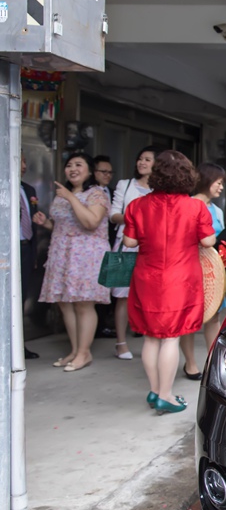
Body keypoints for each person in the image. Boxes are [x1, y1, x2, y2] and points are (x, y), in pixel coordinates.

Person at [122, 151, 216, 414]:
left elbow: (129, 242)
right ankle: (166, 395)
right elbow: (208, 241)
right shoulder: (195, 207)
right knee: (171, 338)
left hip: (147, 277)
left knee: (152, 338)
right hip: (180, 279)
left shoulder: (137, 206)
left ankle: (154, 392)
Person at [32, 152, 111, 372]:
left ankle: (84, 353)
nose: (72, 168)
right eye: (69, 165)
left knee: (83, 304)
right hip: (62, 253)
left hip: (86, 255)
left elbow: (91, 222)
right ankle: (75, 351)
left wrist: (71, 197)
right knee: (65, 304)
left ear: (89, 171)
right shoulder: (63, 194)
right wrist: (46, 223)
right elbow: (64, 225)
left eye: (79, 164)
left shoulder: (96, 194)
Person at [109, 146, 157, 359]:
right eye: (140, 159)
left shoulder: (160, 190)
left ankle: (151, 341)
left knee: (150, 296)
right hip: (126, 244)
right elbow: (113, 215)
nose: (142, 163)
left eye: (147, 159)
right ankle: (121, 343)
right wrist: (135, 218)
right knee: (122, 295)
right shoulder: (124, 185)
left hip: (152, 247)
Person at [181, 162, 226, 380]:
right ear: (207, 181)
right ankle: (190, 363)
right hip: (189, 266)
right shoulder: (186, 205)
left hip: (212, 270)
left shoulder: (216, 210)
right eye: (218, 183)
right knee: (188, 318)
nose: (221, 188)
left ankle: (213, 361)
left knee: (214, 316)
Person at [92, 155, 117, 338]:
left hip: (112, 245)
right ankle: (97, 328)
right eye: (103, 171)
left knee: (110, 289)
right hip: (92, 247)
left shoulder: (113, 192)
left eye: (110, 172)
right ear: (94, 172)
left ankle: (105, 324)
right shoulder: (89, 193)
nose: (107, 175)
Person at [19, 156, 40, 359]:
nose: (24, 166)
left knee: (21, 297)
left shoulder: (29, 190)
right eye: (21, 161)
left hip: (25, 249)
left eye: (26, 161)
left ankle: (18, 346)